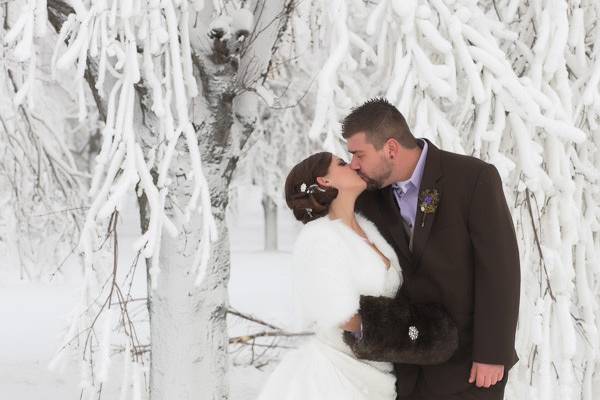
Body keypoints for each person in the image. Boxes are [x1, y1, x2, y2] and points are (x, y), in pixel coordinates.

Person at [341, 98, 521, 400]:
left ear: (391, 149)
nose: (353, 165)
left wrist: (493, 353)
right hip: (404, 367)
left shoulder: (473, 179)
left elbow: (500, 271)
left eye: (358, 154)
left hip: (470, 366)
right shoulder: (368, 197)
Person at [256, 152, 459, 400]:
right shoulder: (320, 238)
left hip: (379, 373)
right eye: (342, 163)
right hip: (336, 378)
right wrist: (415, 336)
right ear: (324, 181)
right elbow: (345, 318)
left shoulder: (368, 229)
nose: (353, 165)